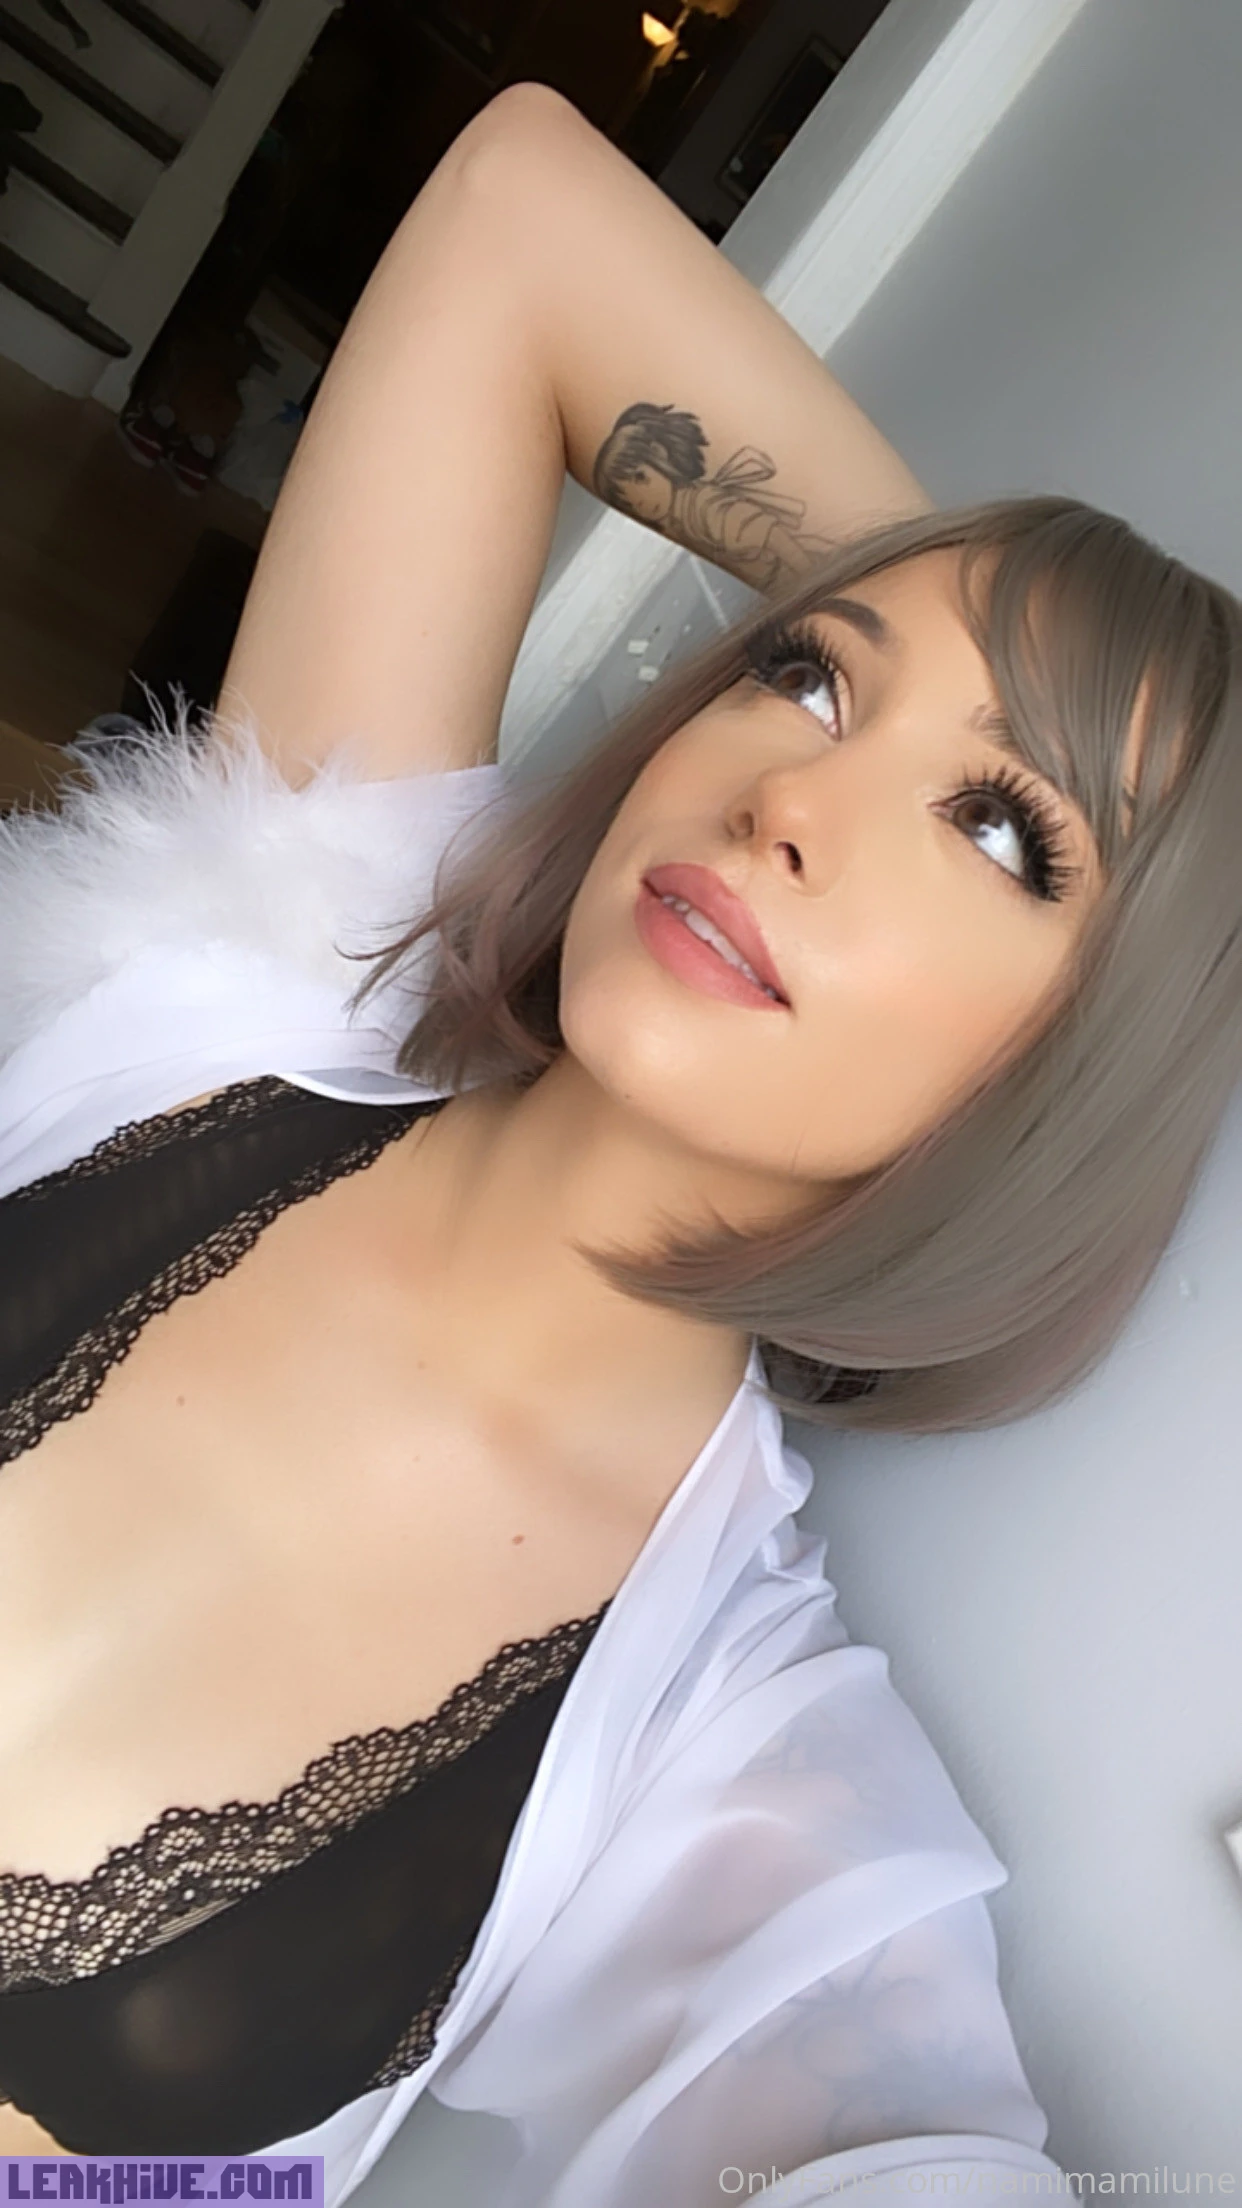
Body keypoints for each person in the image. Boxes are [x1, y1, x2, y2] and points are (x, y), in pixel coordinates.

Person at [0, 83, 1238, 2204]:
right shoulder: (273, 958)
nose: (791, 801)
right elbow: (518, 215)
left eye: (1000, 831)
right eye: (810, 678)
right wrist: (961, 611)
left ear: (1095, 1061)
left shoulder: (717, 1757)